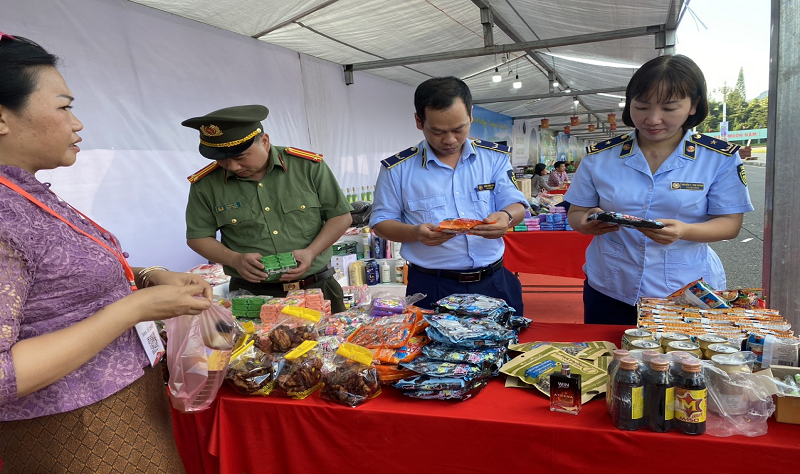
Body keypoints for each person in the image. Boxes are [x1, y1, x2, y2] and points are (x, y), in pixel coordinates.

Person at [0, 33, 213, 474]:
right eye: (63, 107)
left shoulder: (23, 193)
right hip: (77, 434)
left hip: (118, 412)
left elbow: (56, 283)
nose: (77, 124)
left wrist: (148, 278)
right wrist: (132, 310)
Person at [565, 54, 753, 325]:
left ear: (693, 106)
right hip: (611, 287)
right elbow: (577, 212)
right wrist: (586, 224)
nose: (653, 119)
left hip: (685, 290)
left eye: (669, 108)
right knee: (609, 359)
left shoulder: (718, 158)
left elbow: (730, 224)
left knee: (682, 363)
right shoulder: (600, 156)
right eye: (641, 107)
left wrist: (685, 231)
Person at [370, 76, 528, 314]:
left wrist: (506, 216)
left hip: (494, 282)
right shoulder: (398, 169)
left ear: (471, 115)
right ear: (418, 121)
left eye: (459, 128)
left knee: (509, 348)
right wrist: (415, 233)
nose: (450, 140)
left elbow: (516, 203)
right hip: (432, 286)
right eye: (437, 131)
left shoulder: (493, 157)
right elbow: (381, 223)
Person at [181, 105, 353, 313]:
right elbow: (198, 237)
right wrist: (234, 259)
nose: (233, 166)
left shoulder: (307, 167)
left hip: (317, 290)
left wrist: (311, 252)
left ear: (264, 141)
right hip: (251, 298)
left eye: (241, 156)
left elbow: (341, 216)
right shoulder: (206, 185)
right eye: (222, 159)